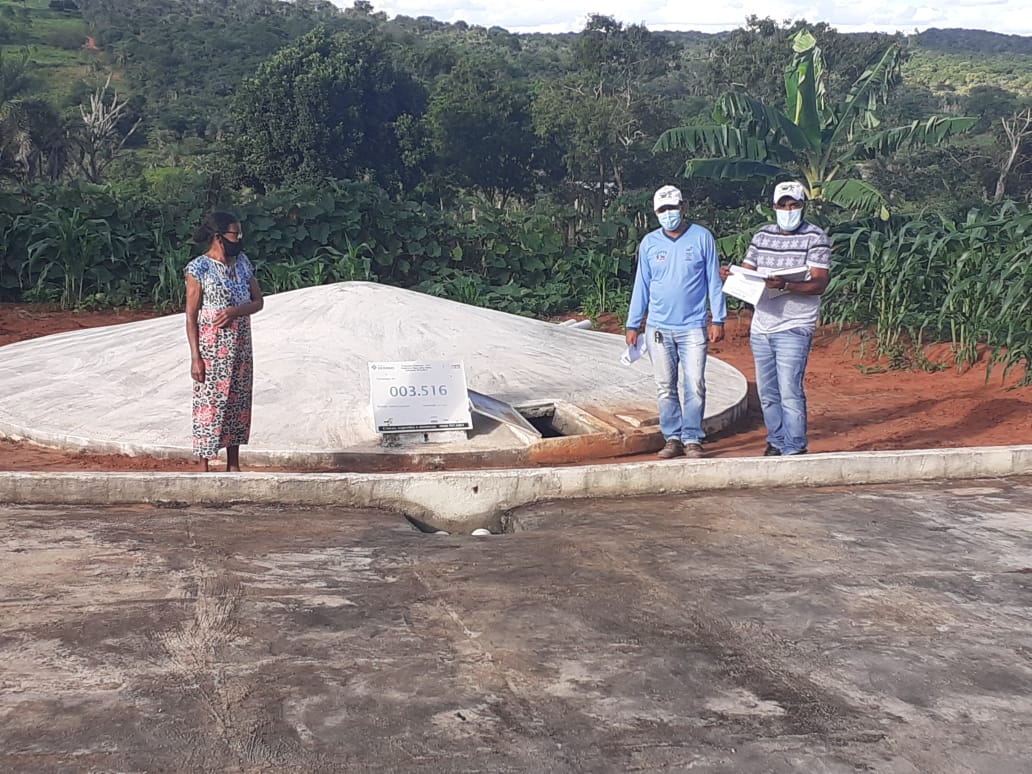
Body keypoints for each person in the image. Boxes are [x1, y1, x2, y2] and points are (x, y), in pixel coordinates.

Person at [719, 181, 831, 457]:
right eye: (783, 205)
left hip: (795, 325)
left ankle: (794, 447)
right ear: (774, 207)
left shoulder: (815, 237)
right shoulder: (762, 236)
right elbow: (748, 271)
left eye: (794, 205)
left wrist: (786, 285)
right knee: (768, 392)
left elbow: (819, 283)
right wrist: (731, 276)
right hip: (762, 326)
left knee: (789, 389)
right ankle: (776, 441)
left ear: (803, 206)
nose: (788, 210)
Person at [626, 185, 726, 459]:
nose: (668, 213)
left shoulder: (702, 237)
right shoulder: (649, 243)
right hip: (658, 327)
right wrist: (633, 324)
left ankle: (692, 438)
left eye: (672, 207)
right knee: (665, 386)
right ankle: (672, 437)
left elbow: (713, 281)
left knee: (695, 384)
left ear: (683, 207)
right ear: (655, 212)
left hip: (693, 325)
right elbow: (642, 285)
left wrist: (718, 318)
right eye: (662, 209)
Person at [185, 211, 264, 472]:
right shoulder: (199, 268)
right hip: (212, 348)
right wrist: (196, 357)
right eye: (234, 234)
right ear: (218, 237)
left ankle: (233, 463)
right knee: (209, 402)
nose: (239, 238)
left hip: (240, 345)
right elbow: (191, 316)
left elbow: (258, 301)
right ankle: (204, 464)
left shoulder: (242, 263)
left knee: (237, 401)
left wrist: (235, 312)